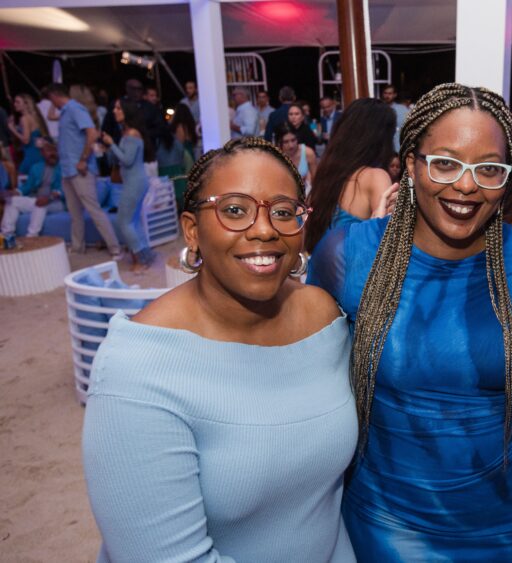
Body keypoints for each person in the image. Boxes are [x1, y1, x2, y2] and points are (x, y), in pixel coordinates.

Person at [308, 83, 512, 561]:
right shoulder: (349, 254)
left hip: (511, 525)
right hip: (389, 524)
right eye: (445, 163)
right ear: (410, 164)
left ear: (507, 179)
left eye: (488, 169)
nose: (466, 185)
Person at [82, 137, 357, 562]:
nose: (264, 229)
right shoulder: (137, 369)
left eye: (283, 212)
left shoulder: (323, 317)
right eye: (234, 210)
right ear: (192, 230)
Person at [304, 98, 396, 253]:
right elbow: (387, 247)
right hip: (356, 266)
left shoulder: (326, 175)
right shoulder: (375, 177)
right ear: (382, 138)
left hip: (320, 265)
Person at [46, 82, 121, 257]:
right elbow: (50, 116)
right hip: (67, 170)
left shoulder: (75, 109)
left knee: (94, 209)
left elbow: (92, 133)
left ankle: (115, 247)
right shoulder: (65, 112)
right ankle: (78, 247)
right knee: (74, 213)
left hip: (80, 169)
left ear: (55, 96)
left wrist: (83, 159)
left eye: (51, 99)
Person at [101, 99, 156, 271]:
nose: (114, 111)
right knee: (133, 221)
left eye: (118, 108)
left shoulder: (132, 134)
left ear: (127, 111)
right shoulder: (128, 132)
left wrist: (111, 144)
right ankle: (145, 256)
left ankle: (140, 260)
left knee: (124, 222)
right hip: (134, 182)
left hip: (135, 182)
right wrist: (110, 149)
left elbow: (127, 160)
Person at [1, 141, 63, 237]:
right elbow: (27, 187)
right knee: (12, 201)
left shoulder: (63, 168)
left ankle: (32, 236)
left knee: (40, 203)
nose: (52, 153)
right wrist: (14, 192)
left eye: (55, 150)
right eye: (49, 150)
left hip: (56, 202)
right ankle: (7, 235)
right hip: (36, 199)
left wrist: (49, 198)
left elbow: (63, 190)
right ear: (42, 153)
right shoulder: (36, 167)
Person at [7, 93, 49, 175]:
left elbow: (26, 140)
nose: (15, 104)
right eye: (14, 102)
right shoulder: (34, 117)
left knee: (23, 178)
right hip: (39, 153)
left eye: (18, 102)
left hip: (31, 155)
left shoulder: (25, 118)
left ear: (26, 104)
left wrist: (12, 129)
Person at [276, 124, 317, 192]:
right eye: (286, 142)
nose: (291, 145)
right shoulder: (275, 156)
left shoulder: (308, 153)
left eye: (293, 140)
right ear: (279, 143)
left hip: (305, 194)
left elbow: (316, 181)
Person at [381, 84, 408, 151]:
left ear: (395, 95)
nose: (387, 96)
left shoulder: (402, 109)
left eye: (390, 93)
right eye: (385, 93)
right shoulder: (378, 109)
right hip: (382, 148)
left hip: (397, 148)